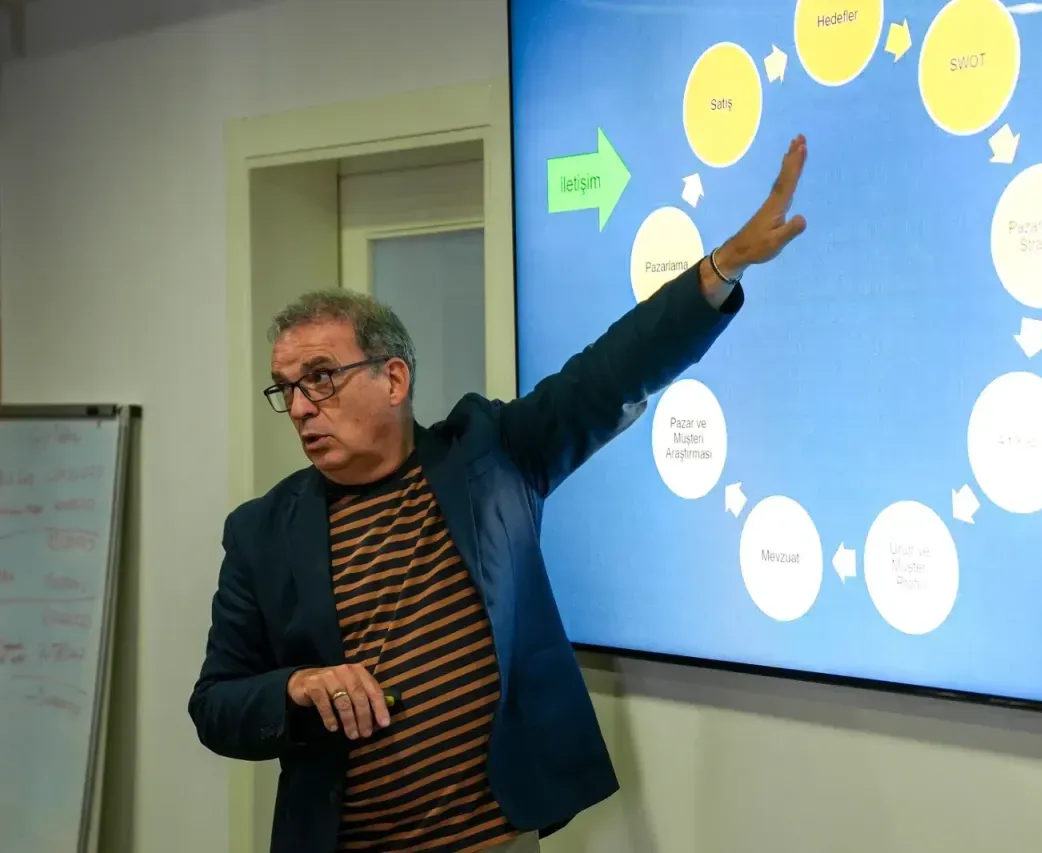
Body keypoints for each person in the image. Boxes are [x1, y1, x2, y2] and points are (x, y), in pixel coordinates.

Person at [188, 134, 808, 853]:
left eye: (321, 378)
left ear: (393, 379)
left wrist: (722, 266)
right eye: (286, 388)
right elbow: (215, 704)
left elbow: (607, 374)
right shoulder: (262, 532)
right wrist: (295, 688)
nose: (299, 407)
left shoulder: (490, 457)